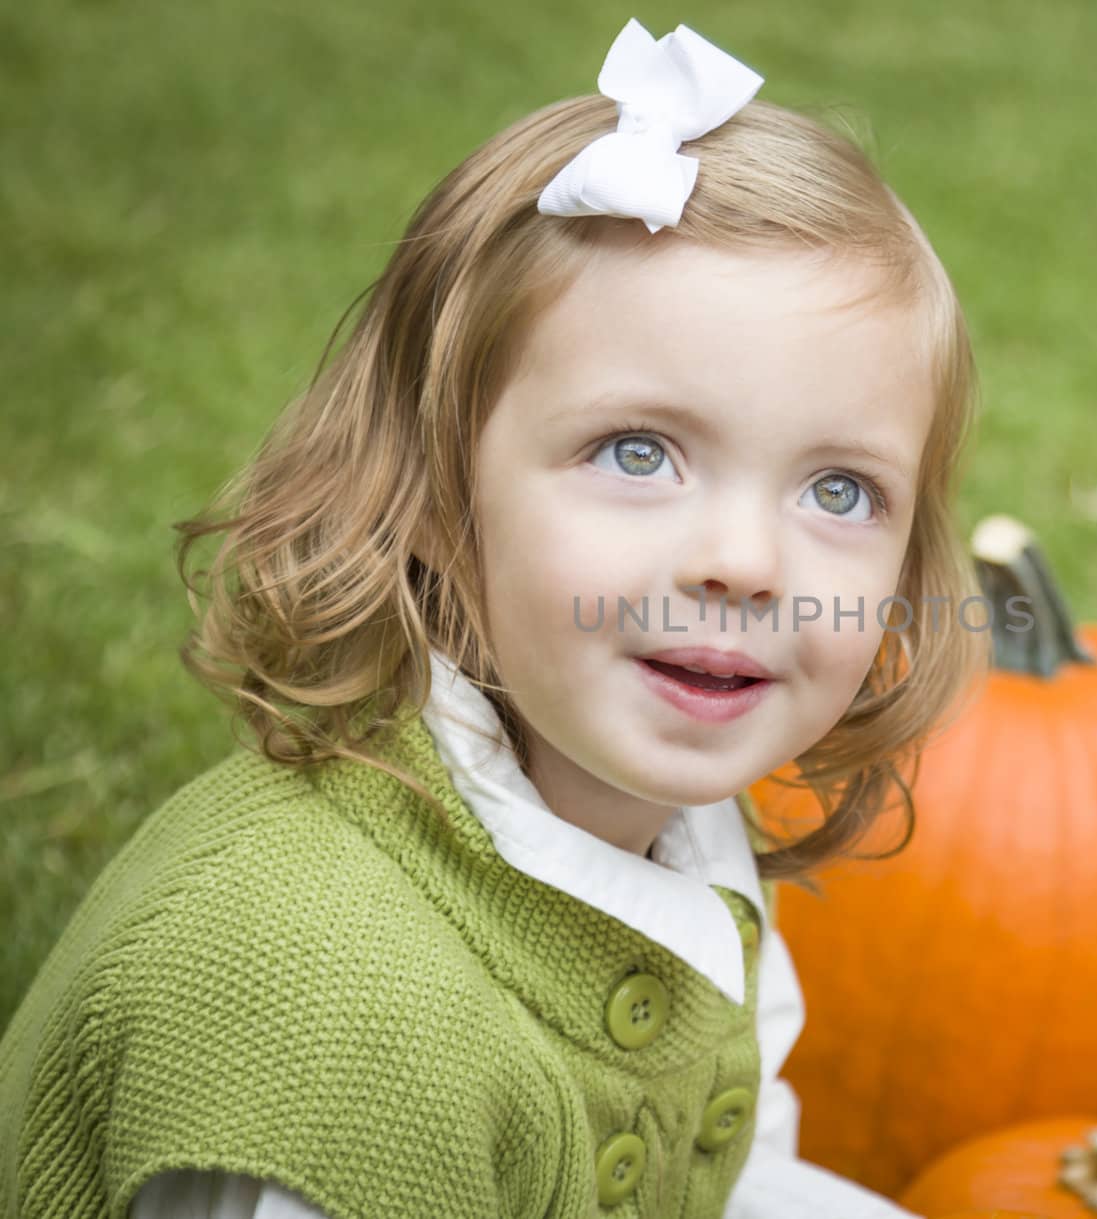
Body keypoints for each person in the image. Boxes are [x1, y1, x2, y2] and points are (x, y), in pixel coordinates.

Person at [0, 16, 990, 1219]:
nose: (745, 561)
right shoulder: (324, 1007)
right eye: (638, 452)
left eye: (839, 490)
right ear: (428, 491)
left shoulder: (683, 834)